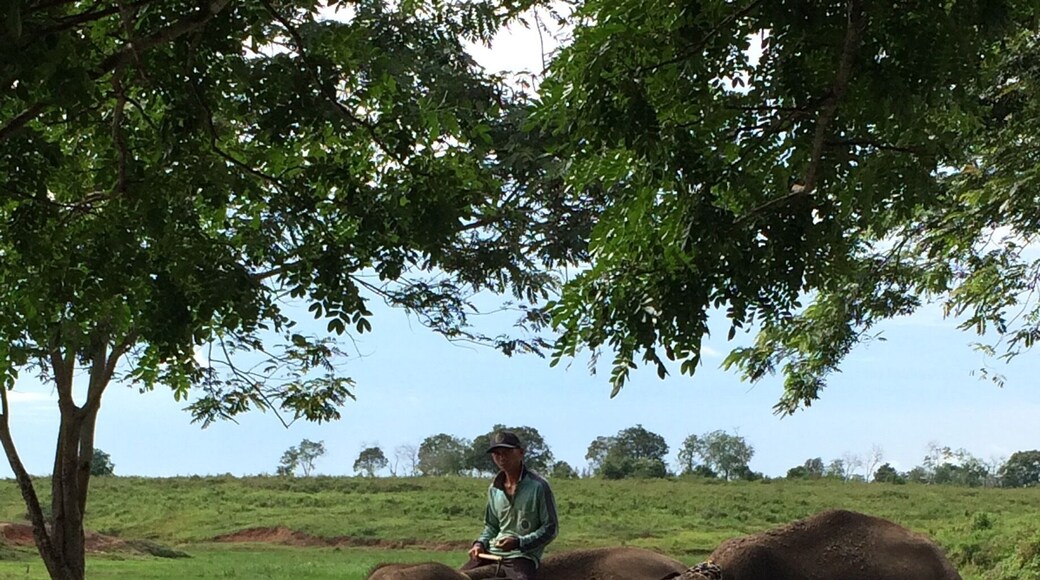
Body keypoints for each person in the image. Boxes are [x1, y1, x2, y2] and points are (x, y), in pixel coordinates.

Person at [460, 430, 559, 580]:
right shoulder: (494, 488)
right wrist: (479, 543)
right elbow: (491, 526)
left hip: (521, 556)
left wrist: (519, 542)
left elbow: (551, 528)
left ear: (520, 453)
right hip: (491, 552)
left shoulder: (539, 486)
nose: (501, 457)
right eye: (496, 454)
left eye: (506, 452)